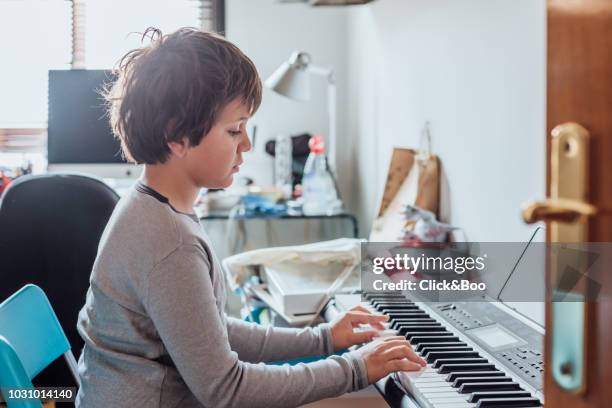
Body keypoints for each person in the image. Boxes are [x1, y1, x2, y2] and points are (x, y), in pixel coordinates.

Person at [75, 27, 425, 408]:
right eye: (234, 130)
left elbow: (211, 333)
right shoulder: (168, 241)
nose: (247, 145)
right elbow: (227, 389)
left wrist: (325, 339)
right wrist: (354, 368)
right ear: (176, 136)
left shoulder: (153, 208)